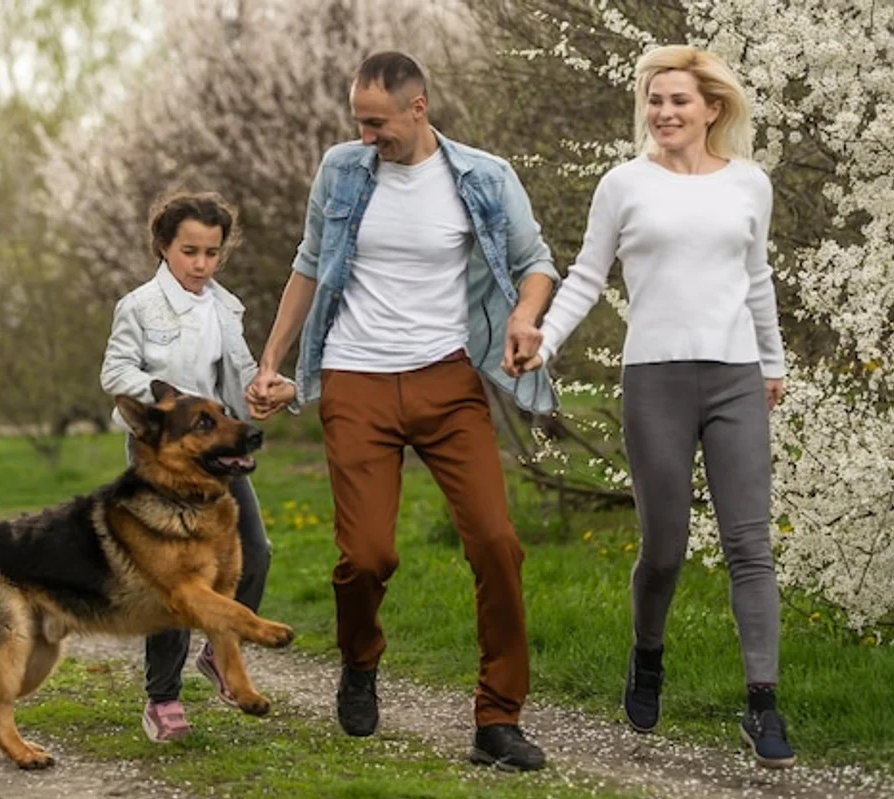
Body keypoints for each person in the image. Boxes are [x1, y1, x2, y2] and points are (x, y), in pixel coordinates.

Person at [249, 51, 559, 772]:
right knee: (366, 556)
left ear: (418, 108)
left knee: (495, 541)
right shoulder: (342, 170)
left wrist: (526, 316)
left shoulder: (482, 176)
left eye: (377, 121)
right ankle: (360, 659)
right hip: (354, 378)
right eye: (358, 119)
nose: (365, 134)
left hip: (447, 383)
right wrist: (271, 360)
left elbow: (535, 260)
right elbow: (307, 260)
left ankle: (497, 717)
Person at [514, 44, 795, 768]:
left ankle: (762, 700)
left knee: (749, 544)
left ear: (712, 108)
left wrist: (773, 360)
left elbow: (756, 276)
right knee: (664, 546)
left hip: (735, 375)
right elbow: (585, 275)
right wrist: (544, 341)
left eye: (678, 101)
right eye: (654, 100)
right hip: (655, 380)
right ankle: (647, 654)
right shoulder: (623, 184)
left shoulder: (749, 185)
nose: (664, 112)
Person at [100, 190, 296, 744]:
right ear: (164, 247)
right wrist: (172, 407)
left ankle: (219, 651)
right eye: (190, 251)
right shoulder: (139, 307)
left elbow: (237, 379)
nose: (202, 264)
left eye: (212, 252)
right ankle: (162, 700)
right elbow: (115, 373)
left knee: (254, 554)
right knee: (174, 582)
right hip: (160, 459)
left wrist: (270, 390)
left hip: (215, 459)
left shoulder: (225, 308)